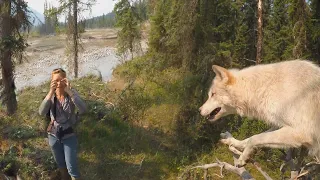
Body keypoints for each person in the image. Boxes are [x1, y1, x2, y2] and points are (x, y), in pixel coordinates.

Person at [39, 68, 86, 180]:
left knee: (72, 168)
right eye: (56, 80)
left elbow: (83, 109)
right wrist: (51, 92)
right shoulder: (51, 96)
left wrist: (69, 91)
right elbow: (41, 112)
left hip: (69, 135)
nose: (59, 83)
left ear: (65, 80)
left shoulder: (71, 95)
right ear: (52, 82)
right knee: (61, 165)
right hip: (54, 136)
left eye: (61, 80)